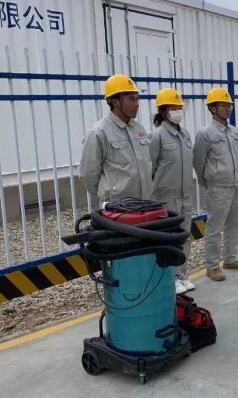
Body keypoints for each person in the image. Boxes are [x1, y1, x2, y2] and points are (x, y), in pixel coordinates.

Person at [193, 87, 238, 281]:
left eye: (229, 105)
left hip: (235, 184)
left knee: (235, 224)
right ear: (212, 108)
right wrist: (208, 181)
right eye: (223, 105)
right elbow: (198, 162)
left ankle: (230, 258)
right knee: (215, 227)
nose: (228, 108)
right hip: (218, 187)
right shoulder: (205, 133)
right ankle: (211, 266)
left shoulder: (234, 131)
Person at [149, 87, 196, 294]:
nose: (178, 111)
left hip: (185, 194)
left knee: (184, 237)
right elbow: (150, 168)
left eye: (179, 107)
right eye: (173, 107)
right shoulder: (157, 136)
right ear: (163, 111)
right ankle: (171, 277)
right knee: (169, 238)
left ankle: (183, 274)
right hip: (166, 197)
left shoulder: (184, 134)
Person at [79, 74, 152, 204]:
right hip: (118, 208)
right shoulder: (99, 132)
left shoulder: (138, 128)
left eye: (137, 99)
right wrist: (108, 195)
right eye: (131, 99)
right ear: (115, 102)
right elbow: (87, 175)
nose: (136, 105)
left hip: (144, 204)